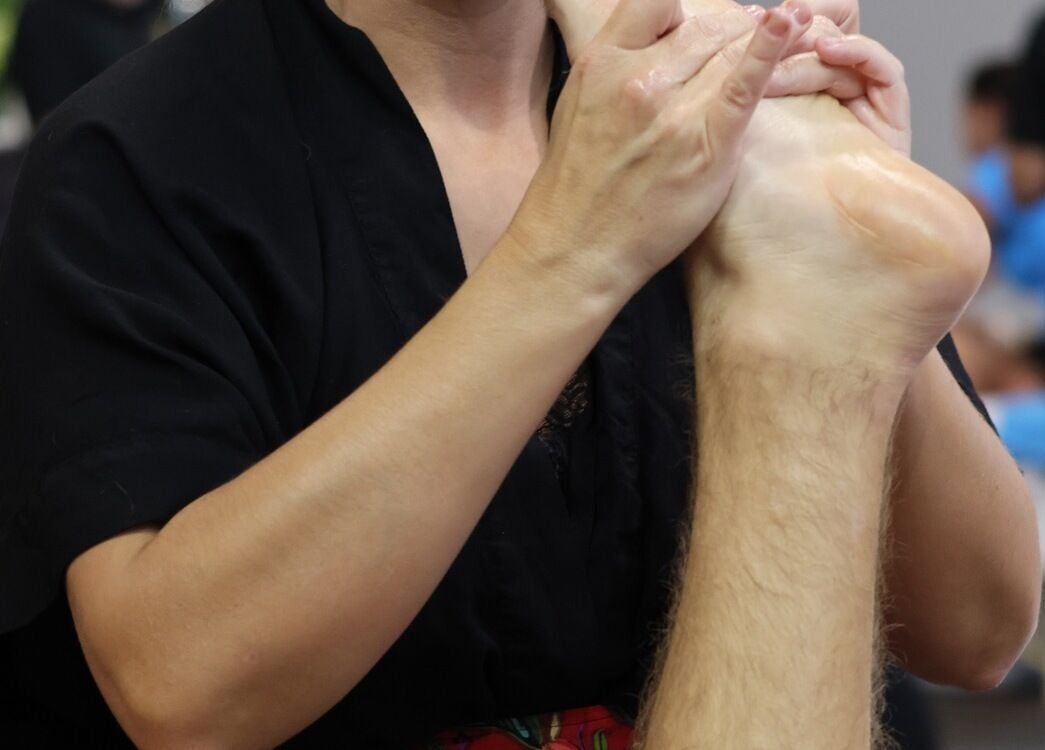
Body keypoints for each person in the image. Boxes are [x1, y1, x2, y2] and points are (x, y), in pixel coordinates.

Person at [0, 0, 1038, 748]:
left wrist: (852, 284)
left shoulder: (710, 93)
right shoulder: (135, 161)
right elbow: (181, 690)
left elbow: (980, 629)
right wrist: (576, 251)